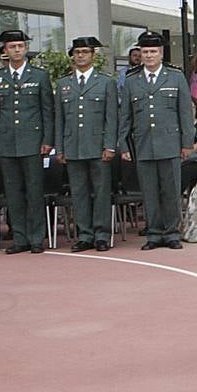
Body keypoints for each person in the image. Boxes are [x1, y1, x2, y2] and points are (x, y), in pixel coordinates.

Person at [119, 31, 195, 251]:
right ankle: (153, 233)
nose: (149, 55)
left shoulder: (175, 77)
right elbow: (125, 115)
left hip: (170, 142)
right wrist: (123, 145)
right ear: (140, 54)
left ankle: (171, 233)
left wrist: (186, 143)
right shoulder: (132, 81)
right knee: (149, 191)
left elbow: (185, 113)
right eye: (145, 52)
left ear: (161, 53)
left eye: (153, 51)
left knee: (171, 191)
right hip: (143, 144)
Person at [0, 29, 54, 254]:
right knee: (13, 193)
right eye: (12, 47)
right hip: (7, 142)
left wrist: (47, 139)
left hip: (33, 141)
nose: (17, 50)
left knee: (34, 191)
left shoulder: (40, 76)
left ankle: (36, 238)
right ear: (5, 51)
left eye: (20, 46)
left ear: (26, 49)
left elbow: (47, 110)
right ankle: (20, 238)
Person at [53, 36, 118, 252]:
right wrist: (59, 148)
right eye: (77, 52)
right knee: (78, 193)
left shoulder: (106, 82)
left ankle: (101, 235)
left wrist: (110, 145)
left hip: (98, 145)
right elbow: (59, 119)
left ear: (93, 55)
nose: (80, 56)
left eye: (85, 52)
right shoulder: (64, 84)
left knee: (101, 192)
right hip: (73, 147)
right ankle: (84, 235)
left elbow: (111, 117)